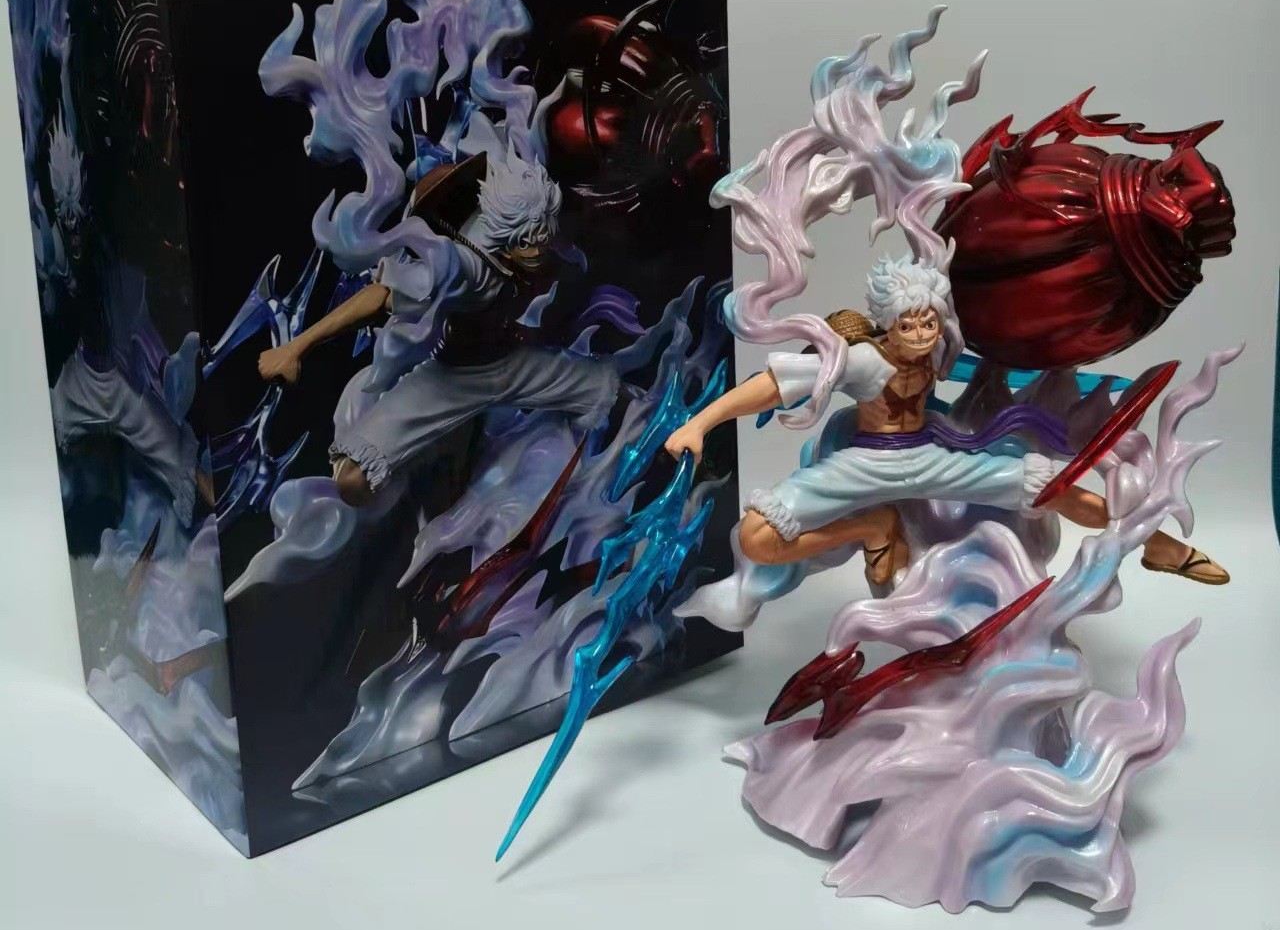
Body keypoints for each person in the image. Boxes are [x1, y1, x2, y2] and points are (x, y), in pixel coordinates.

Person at [664, 256, 1229, 587]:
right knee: (757, 539)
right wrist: (700, 424)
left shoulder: (940, 352)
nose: (919, 334)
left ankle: (1157, 545)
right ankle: (872, 528)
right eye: (907, 325)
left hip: (931, 459)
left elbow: (1001, 355)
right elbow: (769, 387)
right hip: (863, 466)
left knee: (1051, 489)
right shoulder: (860, 360)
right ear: (888, 323)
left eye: (928, 323)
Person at [259, 150, 618, 506]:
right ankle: (431, 465)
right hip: (454, 376)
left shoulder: (535, 221)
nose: (538, 248)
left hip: (511, 362)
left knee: (615, 392)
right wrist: (294, 348)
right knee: (353, 481)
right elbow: (378, 297)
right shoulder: (463, 266)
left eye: (542, 236)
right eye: (527, 241)